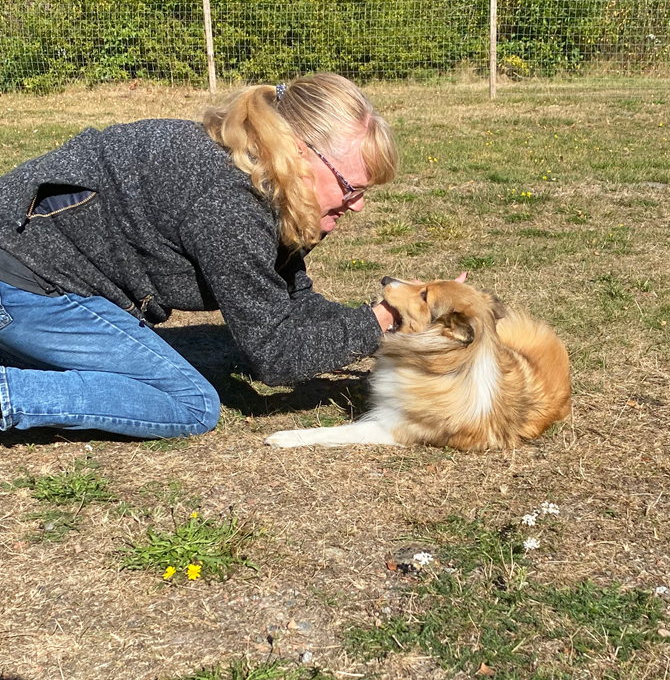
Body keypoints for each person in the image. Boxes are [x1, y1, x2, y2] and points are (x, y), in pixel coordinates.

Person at [0, 73, 399, 440]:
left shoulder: (264, 176)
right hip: (23, 282)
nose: (358, 205)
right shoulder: (229, 202)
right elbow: (275, 357)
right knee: (190, 403)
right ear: (301, 152)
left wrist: (381, 318)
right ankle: (7, 394)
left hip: (28, 274)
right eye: (351, 187)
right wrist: (378, 324)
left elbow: (293, 300)